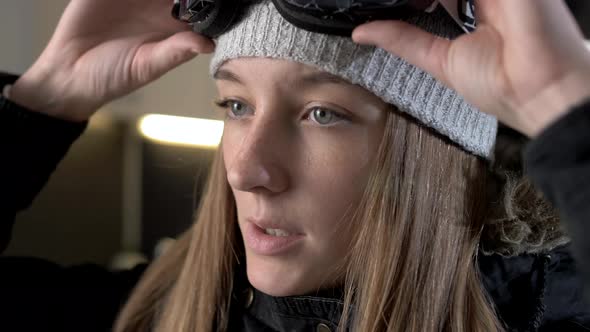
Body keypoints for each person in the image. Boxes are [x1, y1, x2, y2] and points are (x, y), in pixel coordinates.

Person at [1, 1, 589, 332]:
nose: (246, 170)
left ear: (433, 152)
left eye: (321, 114)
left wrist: (561, 100)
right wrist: (44, 103)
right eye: (236, 105)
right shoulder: (148, 317)